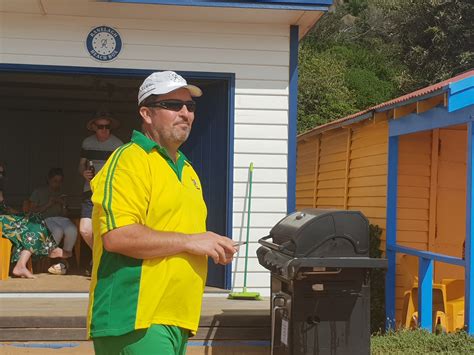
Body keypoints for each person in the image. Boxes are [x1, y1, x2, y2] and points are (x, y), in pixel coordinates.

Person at [87, 71, 238, 355]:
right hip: (135, 318)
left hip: (177, 318)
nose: (185, 113)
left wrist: (210, 244)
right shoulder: (129, 160)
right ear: (146, 113)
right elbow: (118, 237)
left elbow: (181, 234)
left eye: (190, 107)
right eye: (173, 106)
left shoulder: (188, 169)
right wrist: (191, 240)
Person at [0, 162, 64, 279]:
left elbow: (3, 206)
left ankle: (21, 265)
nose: (1, 176)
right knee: (35, 224)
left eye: (2, 173)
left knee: (36, 219)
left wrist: (13, 211)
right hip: (2, 220)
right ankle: (51, 250)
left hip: (5, 215)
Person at [78, 112, 123, 250]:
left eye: (107, 126)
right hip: (90, 191)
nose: (104, 130)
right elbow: (81, 165)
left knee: (110, 230)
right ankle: (98, 255)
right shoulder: (87, 143)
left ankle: (101, 259)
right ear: (93, 127)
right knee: (85, 230)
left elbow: (122, 170)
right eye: (100, 126)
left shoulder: (118, 144)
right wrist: (83, 173)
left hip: (110, 193)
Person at [30, 168, 78, 274]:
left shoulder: (62, 193)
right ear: (49, 179)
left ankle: (63, 257)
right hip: (45, 218)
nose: (57, 184)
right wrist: (49, 204)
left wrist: (64, 205)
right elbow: (32, 211)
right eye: (55, 181)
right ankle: (49, 255)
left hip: (61, 218)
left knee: (72, 229)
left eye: (60, 181)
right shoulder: (39, 191)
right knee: (57, 231)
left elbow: (65, 215)